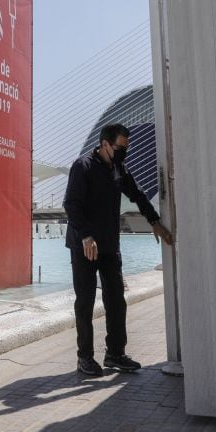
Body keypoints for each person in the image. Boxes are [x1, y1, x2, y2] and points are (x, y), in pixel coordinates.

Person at [63, 123, 173, 376]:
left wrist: (154, 221)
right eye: (122, 147)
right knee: (86, 302)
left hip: (110, 245)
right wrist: (86, 236)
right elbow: (71, 204)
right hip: (84, 246)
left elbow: (137, 194)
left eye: (128, 147)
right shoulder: (83, 167)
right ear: (105, 144)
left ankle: (115, 354)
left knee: (116, 301)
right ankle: (85, 358)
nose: (126, 151)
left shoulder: (117, 168)